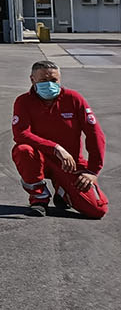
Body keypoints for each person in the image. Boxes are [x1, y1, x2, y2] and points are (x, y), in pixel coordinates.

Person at [11, 60, 107, 218]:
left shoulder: (74, 99)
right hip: (40, 159)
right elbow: (20, 134)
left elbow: (94, 134)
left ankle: (62, 192)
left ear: (60, 79)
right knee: (23, 150)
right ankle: (39, 199)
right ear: (32, 80)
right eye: (43, 81)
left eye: (53, 80)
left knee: (97, 210)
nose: (49, 85)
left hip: (70, 164)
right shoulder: (23, 102)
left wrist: (92, 171)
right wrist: (56, 148)